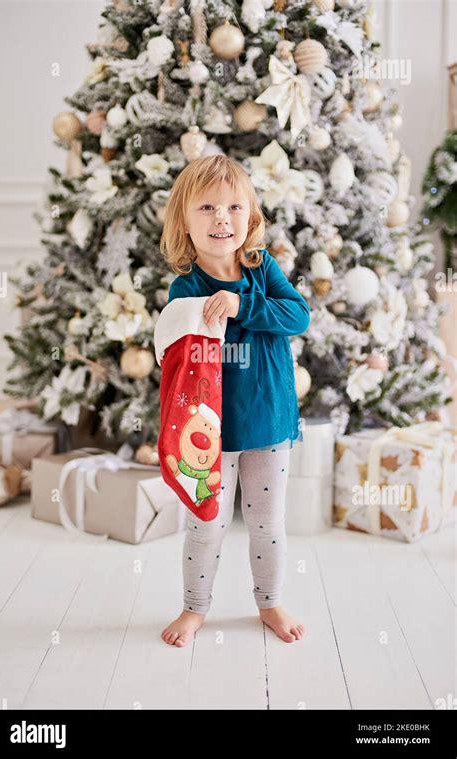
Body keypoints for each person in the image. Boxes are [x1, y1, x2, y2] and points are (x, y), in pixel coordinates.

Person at [158, 154, 311, 646]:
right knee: (207, 523)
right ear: (185, 222)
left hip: (268, 420)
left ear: (250, 217)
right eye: (206, 208)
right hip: (210, 431)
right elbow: (181, 364)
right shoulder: (187, 289)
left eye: (233, 207)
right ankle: (194, 608)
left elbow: (298, 316)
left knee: (268, 523)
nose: (222, 218)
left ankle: (269, 602)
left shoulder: (259, 267)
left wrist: (244, 304)